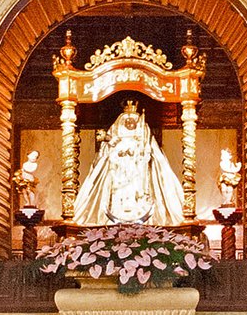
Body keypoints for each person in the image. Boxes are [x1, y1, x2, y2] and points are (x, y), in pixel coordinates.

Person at [73, 97, 186, 227]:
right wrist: (116, 149)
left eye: (133, 120)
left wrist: (140, 154)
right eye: (127, 120)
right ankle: (117, 213)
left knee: (137, 191)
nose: (130, 123)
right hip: (118, 174)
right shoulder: (115, 137)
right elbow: (107, 154)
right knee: (119, 193)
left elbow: (149, 153)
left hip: (138, 173)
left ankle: (139, 212)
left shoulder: (142, 137)